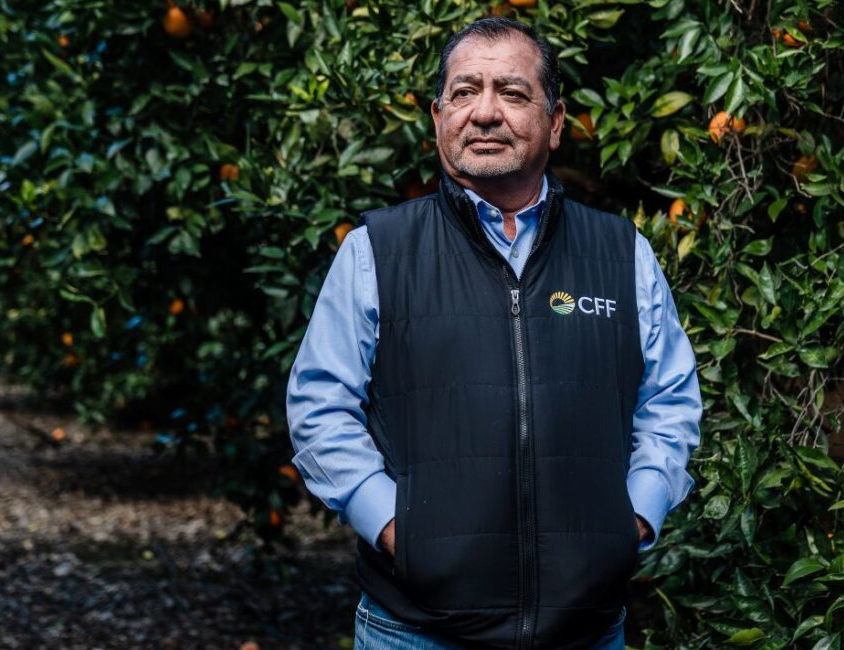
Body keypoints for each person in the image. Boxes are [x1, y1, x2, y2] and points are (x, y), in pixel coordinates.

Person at [286, 17, 701, 650]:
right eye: (463, 91)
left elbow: (669, 399)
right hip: (416, 631)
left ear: (555, 122)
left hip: (585, 632)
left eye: (511, 92)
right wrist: (398, 528)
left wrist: (635, 517)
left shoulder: (621, 253)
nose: (484, 112)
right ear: (437, 118)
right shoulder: (377, 251)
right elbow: (319, 409)